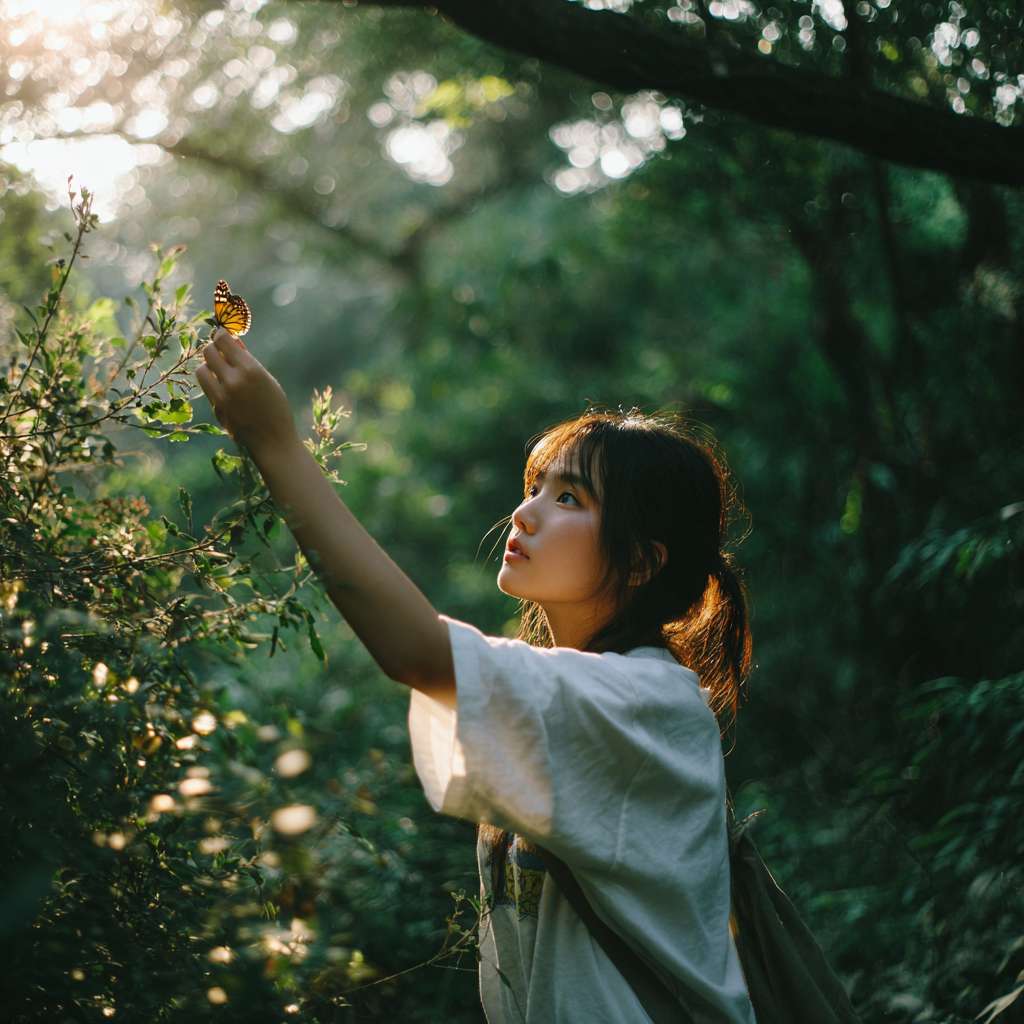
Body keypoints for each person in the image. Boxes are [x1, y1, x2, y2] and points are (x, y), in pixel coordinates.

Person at [195, 326, 757, 1023]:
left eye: (570, 500)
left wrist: (276, 444)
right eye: (536, 487)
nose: (524, 513)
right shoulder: (583, 689)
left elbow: (414, 650)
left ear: (641, 562)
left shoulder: (644, 701)